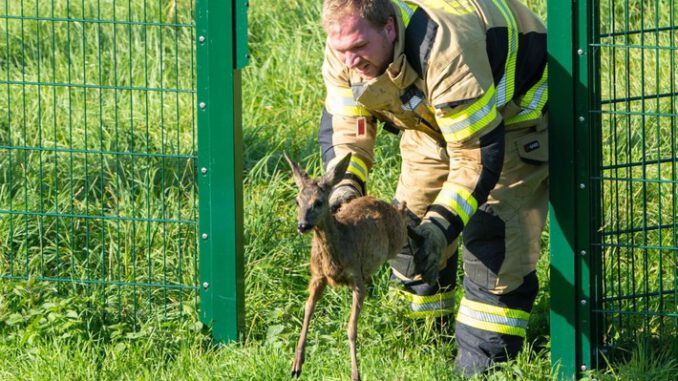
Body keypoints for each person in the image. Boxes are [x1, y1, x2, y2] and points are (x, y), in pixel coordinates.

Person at [317, 0, 548, 375]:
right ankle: (424, 347)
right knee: (405, 232)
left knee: (492, 242)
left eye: (359, 48)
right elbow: (348, 129)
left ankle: (482, 367)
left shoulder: (444, 46)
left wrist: (442, 226)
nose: (350, 61)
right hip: (431, 125)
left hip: (514, 119)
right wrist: (345, 192)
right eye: (341, 50)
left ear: (389, 28)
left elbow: (475, 158)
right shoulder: (345, 44)